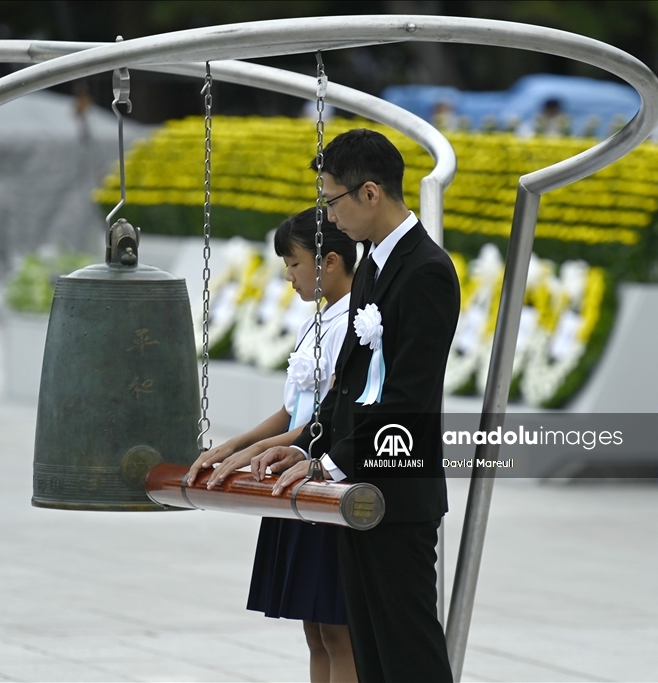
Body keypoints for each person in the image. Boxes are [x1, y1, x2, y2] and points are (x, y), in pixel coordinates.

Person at [254, 129, 461, 682]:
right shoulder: (371, 266)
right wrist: (302, 448)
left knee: (408, 654)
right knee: (370, 655)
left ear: (370, 193)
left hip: (396, 491)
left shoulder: (426, 272)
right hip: (354, 491)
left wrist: (328, 464)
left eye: (331, 199)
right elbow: (346, 385)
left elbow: (407, 399)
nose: (329, 216)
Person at [187, 208, 359, 683]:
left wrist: (251, 452)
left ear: (328, 262)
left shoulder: (357, 324)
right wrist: (234, 446)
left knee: (339, 631)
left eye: (293, 263)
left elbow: (325, 420)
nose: (288, 277)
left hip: (325, 474)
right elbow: (293, 410)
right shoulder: (320, 320)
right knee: (315, 630)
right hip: (295, 473)